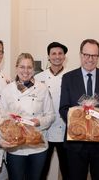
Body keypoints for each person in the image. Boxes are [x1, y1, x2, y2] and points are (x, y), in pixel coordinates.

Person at [59, 39, 99, 180]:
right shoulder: (68, 78)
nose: (90, 59)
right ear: (80, 55)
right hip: (76, 142)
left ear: (98, 57)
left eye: (94, 56)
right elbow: (63, 108)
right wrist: (79, 114)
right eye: (86, 55)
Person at [0, 53, 55, 180]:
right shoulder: (7, 90)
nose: (26, 71)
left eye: (29, 67)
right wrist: (11, 125)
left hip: (38, 145)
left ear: (33, 69)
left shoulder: (42, 88)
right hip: (15, 148)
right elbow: (1, 118)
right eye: (22, 67)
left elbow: (51, 115)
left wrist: (38, 121)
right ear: (16, 68)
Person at [34, 42, 69, 180]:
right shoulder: (38, 78)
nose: (57, 56)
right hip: (45, 131)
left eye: (60, 53)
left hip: (65, 130)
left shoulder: (71, 76)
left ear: (64, 57)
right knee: (42, 170)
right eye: (53, 53)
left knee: (67, 170)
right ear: (48, 56)